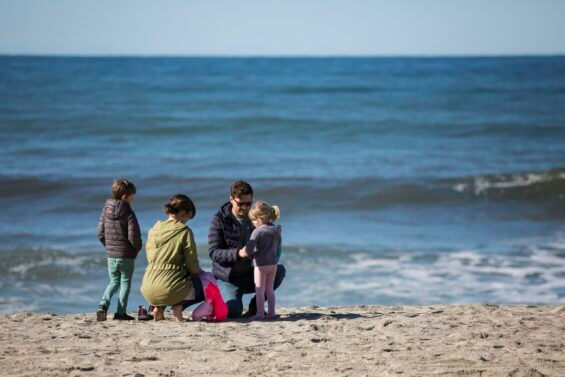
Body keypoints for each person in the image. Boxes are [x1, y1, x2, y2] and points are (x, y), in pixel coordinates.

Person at [208, 180, 286, 319]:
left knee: (279, 271)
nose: (245, 208)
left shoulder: (255, 217)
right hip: (228, 277)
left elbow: (272, 231)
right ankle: (216, 297)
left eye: (248, 203)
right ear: (231, 199)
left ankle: (256, 308)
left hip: (253, 272)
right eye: (240, 204)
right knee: (233, 312)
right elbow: (214, 252)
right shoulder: (219, 219)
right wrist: (239, 253)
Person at [140, 194, 215, 322]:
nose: (187, 222)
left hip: (148, 287)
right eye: (188, 218)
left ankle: (158, 308)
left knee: (167, 276)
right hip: (171, 288)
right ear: (185, 213)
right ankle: (177, 307)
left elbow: (151, 258)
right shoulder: (184, 231)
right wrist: (200, 273)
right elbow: (192, 265)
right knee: (202, 283)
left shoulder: (153, 230)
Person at [96, 179, 142, 321]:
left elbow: (100, 233)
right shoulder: (128, 212)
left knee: (114, 281)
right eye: (132, 196)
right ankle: (120, 312)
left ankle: (103, 305)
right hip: (126, 255)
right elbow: (133, 235)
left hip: (111, 254)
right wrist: (137, 248)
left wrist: (108, 246)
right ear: (125, 196)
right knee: (125, 283)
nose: (133, 198)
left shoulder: (106, 210)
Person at [246, 201, 282, 320]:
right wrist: (276, 259)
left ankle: (260, 313)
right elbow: (279, 249)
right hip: (273, 264)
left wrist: (251, 255)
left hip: (260, 265)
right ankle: (272, 313)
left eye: (254, 220)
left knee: (259, 290)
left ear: (260, 218)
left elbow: (249, 249)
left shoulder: (257, 231)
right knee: (270, 290)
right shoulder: (276, 230)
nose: (252, 223)